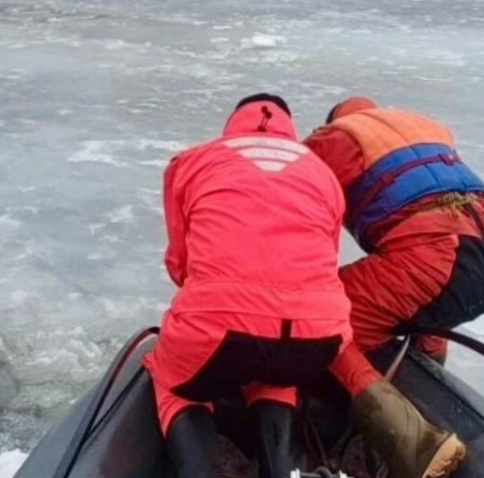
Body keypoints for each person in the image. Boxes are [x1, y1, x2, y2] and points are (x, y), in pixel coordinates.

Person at [304, 96, 484, 476]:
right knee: (422, 299)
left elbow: (286, 202)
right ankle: (425, 376)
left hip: (438, 253)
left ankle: (415, 440)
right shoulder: (422, 124)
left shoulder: (335, 141)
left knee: (318, 315)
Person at [143, 93, 355, 478]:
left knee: (174, 379)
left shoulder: (193, 161)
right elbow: (323, 262)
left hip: (217, 324)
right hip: (319, 335)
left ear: (232, 124)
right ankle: (281, 469)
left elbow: (180, 263)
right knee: (277, 372)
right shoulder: (322, 173)